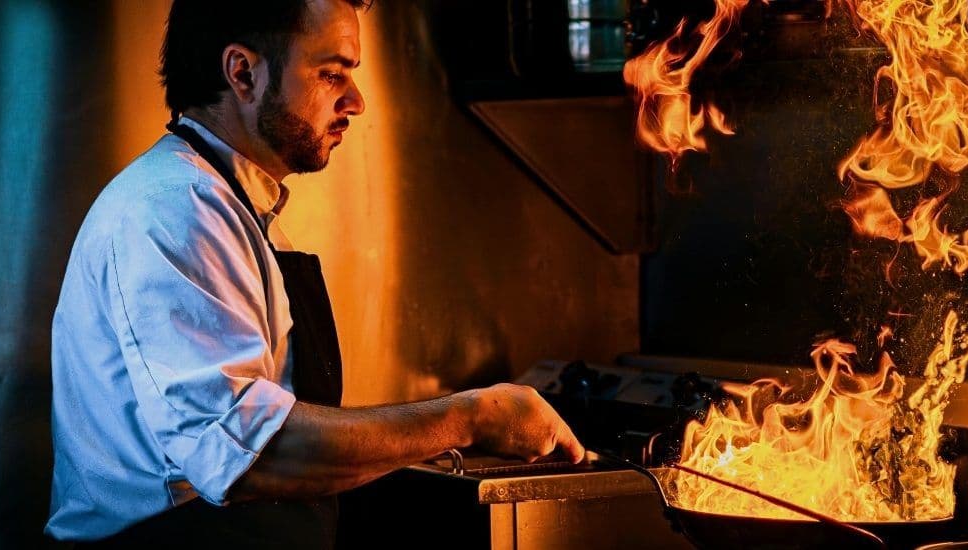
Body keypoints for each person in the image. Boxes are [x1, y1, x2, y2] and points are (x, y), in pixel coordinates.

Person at [46, 0, 584, 546]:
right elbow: (248, 455)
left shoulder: (233, 206)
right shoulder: (175, 208)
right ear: (243, 73)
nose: (356, 101)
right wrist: (471, 418)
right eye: (331, 74)